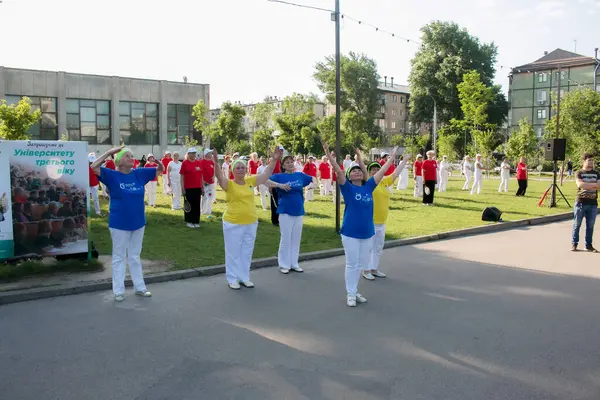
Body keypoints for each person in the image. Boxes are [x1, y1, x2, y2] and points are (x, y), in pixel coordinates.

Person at [322, 140, 398, 307]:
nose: (356, 172)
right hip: (350, 233)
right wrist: (328, 154)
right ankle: (350, 293)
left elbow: (382, 171)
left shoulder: (369, 186)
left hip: (367, 233)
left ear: (364, 175)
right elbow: (337, 170)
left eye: (359, 170)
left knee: (360, 264)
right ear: (350, 176)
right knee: (352, 263)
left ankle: (354, 290)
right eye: (353, 170)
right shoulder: (347, 188)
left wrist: (392, 157)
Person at [91, 146, 162, 301]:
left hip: (138, 222)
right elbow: (93, 166)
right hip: (119, 223)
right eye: (127, 156)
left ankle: (140, 288)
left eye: (131, 156)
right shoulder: (112, 175)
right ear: (119, 161)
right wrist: (109, 153)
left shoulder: (139, 173)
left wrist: (159, 163)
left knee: (135, 256)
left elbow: (159, 170)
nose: (131, 158)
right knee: (119, 256)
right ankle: (118, 291)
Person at [213, 147, 283, 290]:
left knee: (246, 251)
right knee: (233, 252)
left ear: (246, 170)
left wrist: (275, 160)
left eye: (242, 167)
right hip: (233, 223)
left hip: (251, 222)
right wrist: (215, 161)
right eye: (237, 167)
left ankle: (244, 277)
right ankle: (232, 278)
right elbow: (219, 177)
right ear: (233, 170)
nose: (240, 169)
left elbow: (266, 174)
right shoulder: (230, 184)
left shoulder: (250, 181)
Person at [363, 154, 409, 281]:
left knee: (378, 247)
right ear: (369, 172)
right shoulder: (368, 183)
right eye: (373, 169)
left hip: (382, 221)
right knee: (369, 248)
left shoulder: (384, 182)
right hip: (370, 221)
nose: (376, 171)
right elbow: (363, 169)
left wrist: (404, 161)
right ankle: (365, 270)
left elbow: (395, 174)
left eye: (378, 169)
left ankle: (374, 268)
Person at [268, 155, 317, 274]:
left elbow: (314, 178)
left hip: (298, 210)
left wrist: (313, 185)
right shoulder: (279, 176)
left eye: (291, 162)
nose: (290, 164)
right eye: (287, 162)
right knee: (286, 238)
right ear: (283, 166)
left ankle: (294, 263)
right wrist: (279, 185)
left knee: (296, 238)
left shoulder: (299, 175)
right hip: (285, 211)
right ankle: (284, 264)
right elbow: (264, 180)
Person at [571, 154, 599, 252]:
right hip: (581, 202)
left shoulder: (596, 173)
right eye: (589, 160)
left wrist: (587, 185)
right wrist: (594, 185)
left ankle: (588, 245)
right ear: (584, 161)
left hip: (593, 203)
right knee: (577, 224)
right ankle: (574, 244)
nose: (591, 162)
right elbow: (580, 184)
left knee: (590, 226)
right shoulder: (579, 172)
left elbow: (599, 186)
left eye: (592, 160)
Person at [180, 148, 204, 228]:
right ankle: (189, 221)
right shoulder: (185, 163)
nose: (193, 155)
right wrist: (182, 188)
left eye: (194, 153)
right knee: (189, 204)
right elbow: (182, 176)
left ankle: (196, 221)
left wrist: (202, 187)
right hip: (188, 187)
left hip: (197, 187)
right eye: (191, 153)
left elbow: (201, 176)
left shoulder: (198, 163)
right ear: (188, 154)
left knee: (197, 205)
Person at [200, 149, 217, 218]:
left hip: (211, 182)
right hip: (205, 182)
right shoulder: (202, 162)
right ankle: (203, 211)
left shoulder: (211, 162)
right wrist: (202, 181)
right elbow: (200, 173)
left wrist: (214, 175)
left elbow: (214, 170)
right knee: (205, 197)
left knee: (210, 196)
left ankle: (208, 211)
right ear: (206, 154)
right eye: (210, 153)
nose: (211, 154)